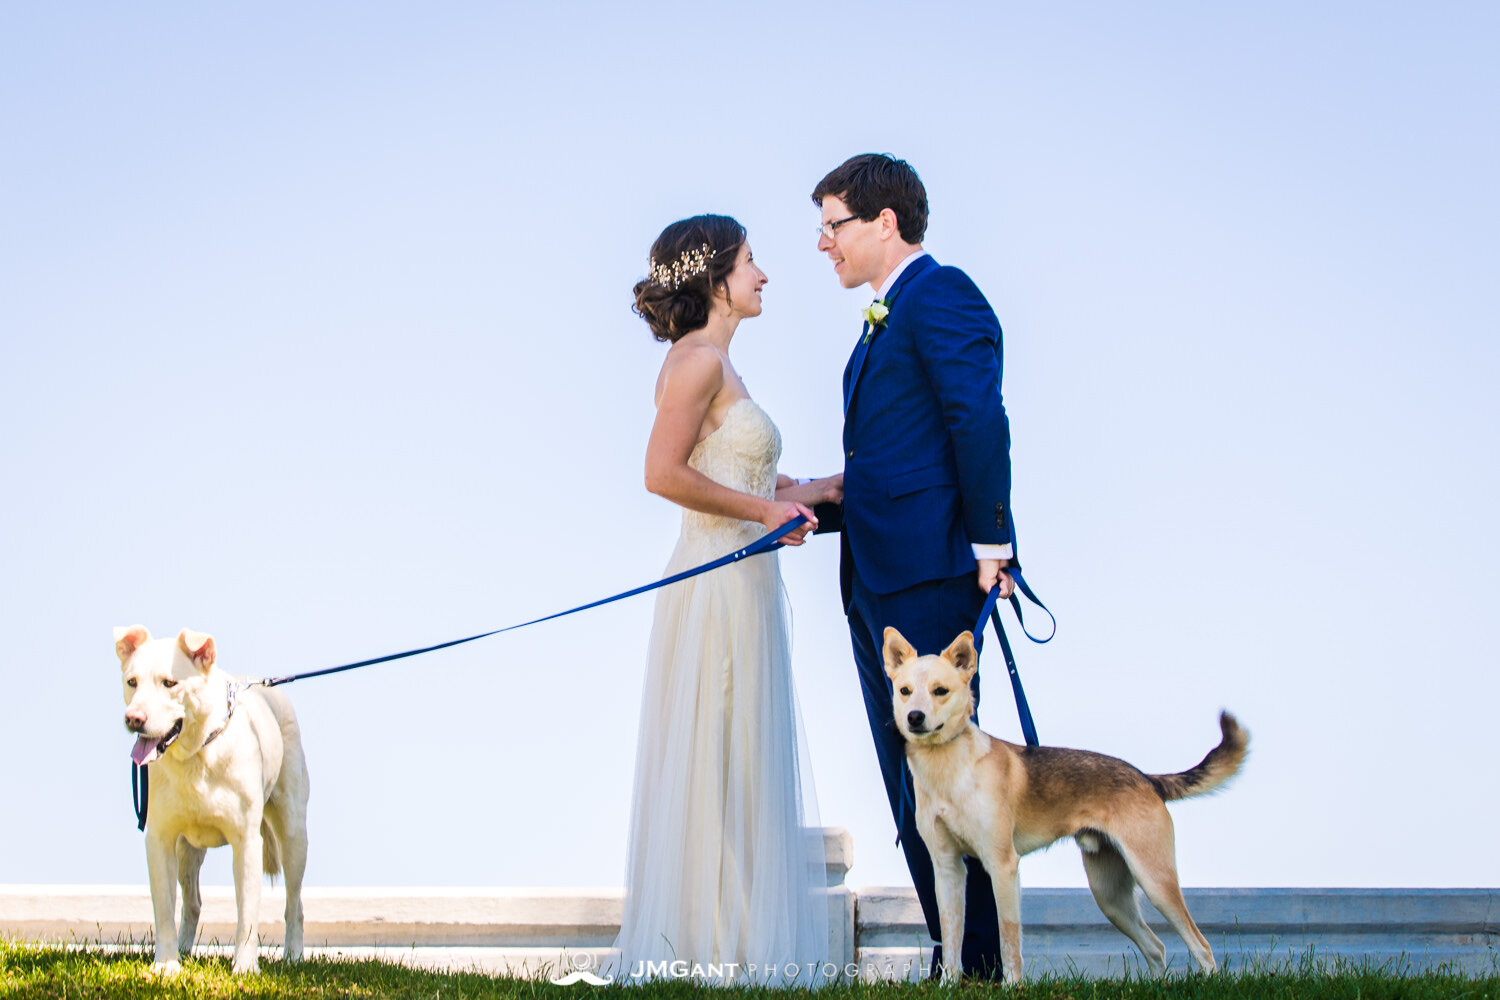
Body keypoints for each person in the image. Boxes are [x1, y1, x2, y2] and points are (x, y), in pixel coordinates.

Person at [611, 214, 840, 986]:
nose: (764, 274)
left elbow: (738, 474)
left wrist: (811, 490)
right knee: (713, 744)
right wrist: (766, 514)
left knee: (745, 750)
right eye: (751, 261)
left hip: (748, 578)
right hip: (712, 579)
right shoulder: (695, 363)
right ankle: (699, 942)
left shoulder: (724, 368)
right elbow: (663, 473)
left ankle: (738, 943)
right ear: (715, 278)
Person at [811, 154, 1019, 979]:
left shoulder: (943, 294)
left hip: (934, 573)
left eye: (834, 224)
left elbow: (977, 415)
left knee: (952, 787)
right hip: (874, 579)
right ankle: (953, 956)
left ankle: (977, 967)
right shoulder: (881, 319)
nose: (823, 242)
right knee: (910, 789)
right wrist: (816, 512)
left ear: (884, 222)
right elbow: (892, 460)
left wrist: (991, 542)